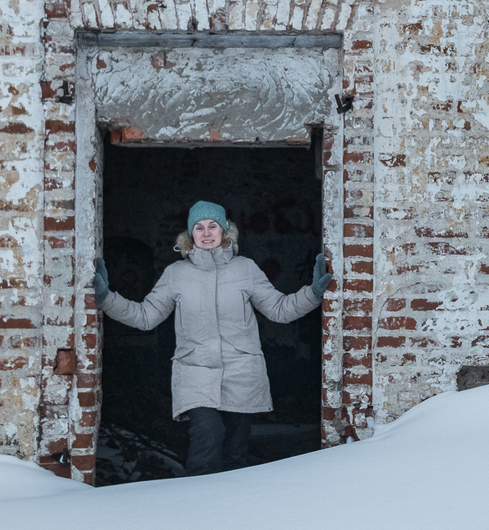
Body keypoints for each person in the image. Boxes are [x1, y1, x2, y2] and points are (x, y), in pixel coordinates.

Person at [93, 200, 331, 476]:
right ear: (190, 235)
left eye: (212, 226)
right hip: (195, 371)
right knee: (208, 433)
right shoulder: (176, 274)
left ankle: (231, 512)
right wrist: (107, 298)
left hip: (242, 372)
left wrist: (312, 294)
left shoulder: (246, 269)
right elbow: (146, 316)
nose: (206, 233)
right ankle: (199, 506)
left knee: (236, 451)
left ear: (225, 230)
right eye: (199, 227)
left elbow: (279, 309)